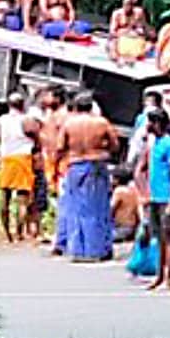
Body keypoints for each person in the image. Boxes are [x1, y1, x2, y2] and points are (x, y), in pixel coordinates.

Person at [55, 93, 119, 262]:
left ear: (76, 107)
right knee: (98, 208)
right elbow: (115, 144)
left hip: (75, 165)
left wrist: (58, 164)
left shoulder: (69, 124)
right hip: (97, 163)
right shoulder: (101, 123)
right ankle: (98, 249)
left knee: (76, 207)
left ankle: (78, 250)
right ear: (91, 107)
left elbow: (60, 147)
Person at [144, 109, 170, 290]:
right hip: (154, 196)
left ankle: (169, 274)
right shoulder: (154, 144)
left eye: (150, 122)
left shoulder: (169, 144)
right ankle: (160, 274)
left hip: (166, 196)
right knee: (159, 237)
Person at [0, 93, 38, 243]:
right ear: (22, 104)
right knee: (22, 198)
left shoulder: (1, 121)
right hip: (23, 159)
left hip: (6, 159)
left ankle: (7, 233)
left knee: (4, 196)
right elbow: (36, 137)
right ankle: (19, 233)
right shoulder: (26, 120)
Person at [36, 86, 69, 194]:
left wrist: (57, 153)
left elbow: (61, 135)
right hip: (49, 154)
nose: (44, 99)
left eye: (48, 96)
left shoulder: (62, 114)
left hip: (56, 155)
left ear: (57, 99)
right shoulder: (51, 112)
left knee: (55, 185)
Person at [108, 0, 151, 64]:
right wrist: (126, 32)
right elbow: (112, 32)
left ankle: (134, 58)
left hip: (135, 40)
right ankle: (118, 58)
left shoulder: (139, 13)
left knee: (149, 44)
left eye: (131, 4)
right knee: (112, 43)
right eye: (126, 3)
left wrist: (140, 31)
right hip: (120, 39)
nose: (128, 6)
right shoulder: (117, 14)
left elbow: (143, 28)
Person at [111, 167, 142, 243]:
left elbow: (111, 210)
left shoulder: (119, 191)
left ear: (117, 179)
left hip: (121, 228)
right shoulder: (133, 190)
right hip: (132, 228)